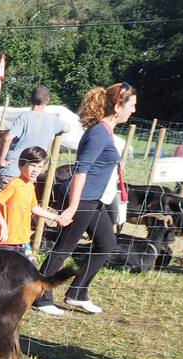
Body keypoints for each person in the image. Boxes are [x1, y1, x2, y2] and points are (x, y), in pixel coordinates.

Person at [36, 82, 137, 316]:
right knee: (63, 248)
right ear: (117, 105)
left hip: (95, 200)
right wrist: (72, 207)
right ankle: (41, 295)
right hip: (82, 200)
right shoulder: (99, 133)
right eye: (131, 105)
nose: (133, 110)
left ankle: (77, 293)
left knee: (106, 244)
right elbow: (81, 170)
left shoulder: (106, 131)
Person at [0, 145, 59, 262]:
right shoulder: (15, 184)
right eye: (33, 165)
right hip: (8, 242)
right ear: (21, 165)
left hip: (23, 241)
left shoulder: (29, 185)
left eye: (40, 167)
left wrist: (56, 217)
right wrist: (3, 225)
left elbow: (34, 208)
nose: (36, 170)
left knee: (31, 270)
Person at [0, 85, 69, 186]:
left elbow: (8, 138)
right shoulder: (52, 120)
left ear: (30, 98)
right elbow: (67, 128)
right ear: (47, 100)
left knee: (4, 200)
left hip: (14, 168)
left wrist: (2, 159)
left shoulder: (24, 117)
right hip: (33, 172)